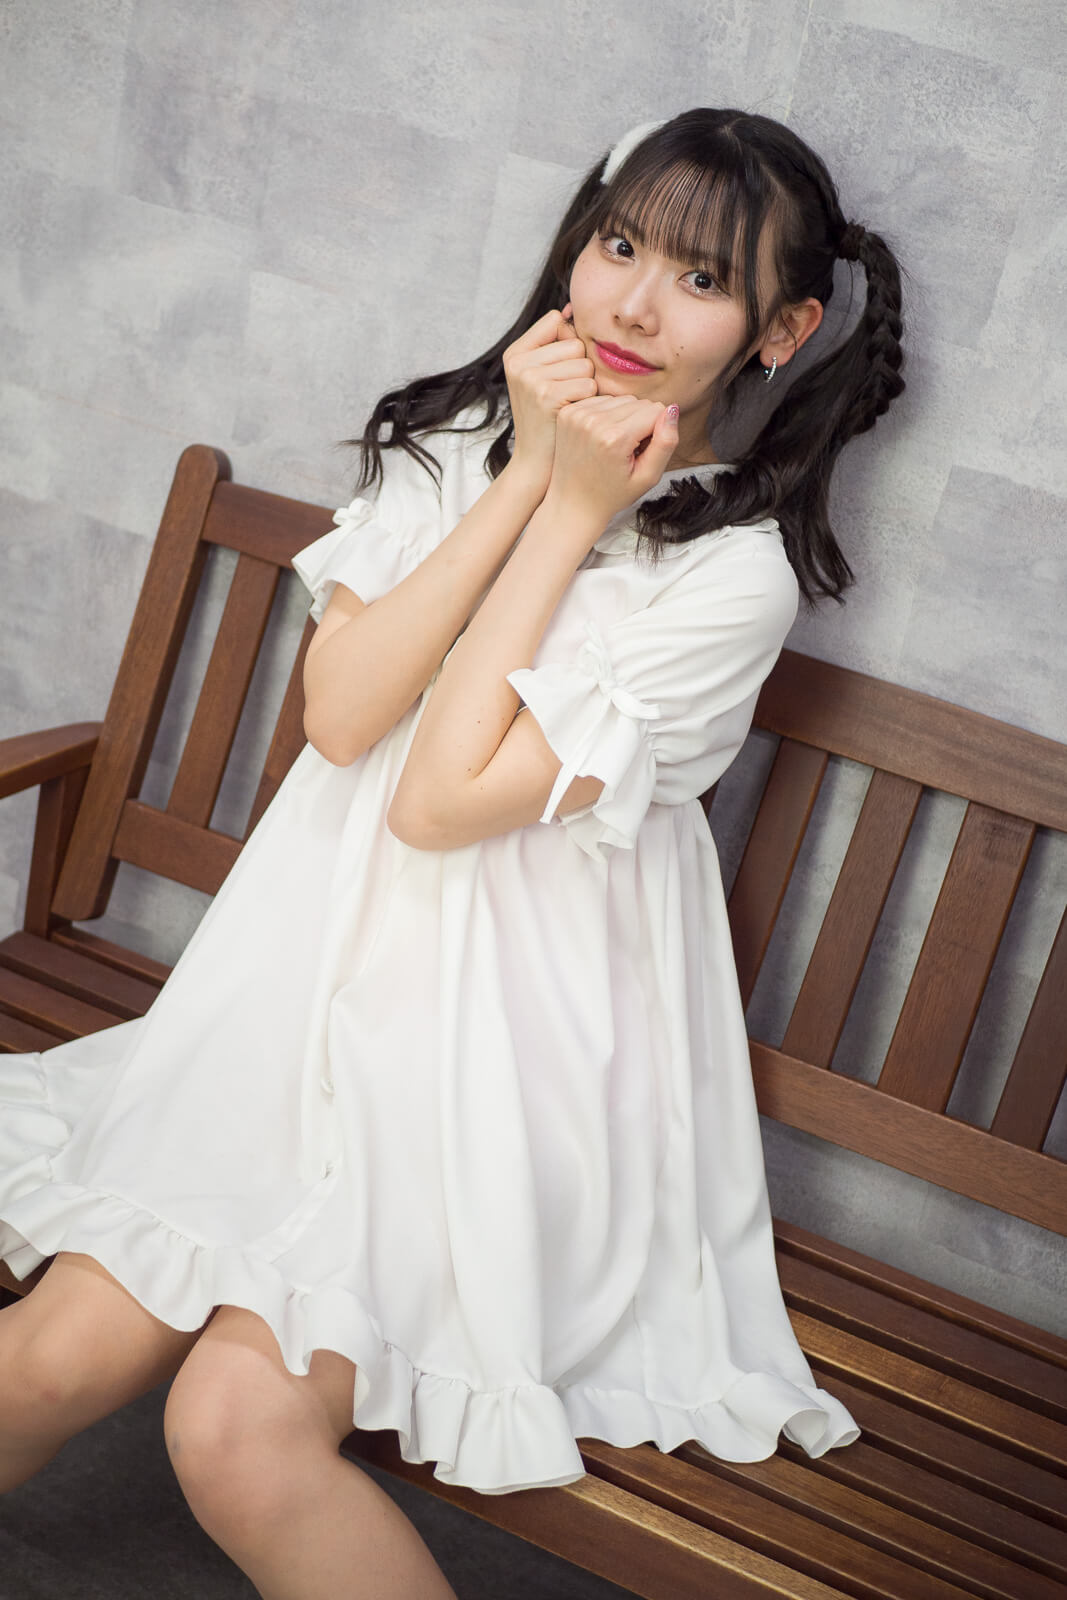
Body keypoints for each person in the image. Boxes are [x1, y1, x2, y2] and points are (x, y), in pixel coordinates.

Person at [0, 108, 904, 1599]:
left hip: (517, 1070)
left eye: (698, 279)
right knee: (46, 1360)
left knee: (234, 1432)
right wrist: (525, 481)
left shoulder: (730, 582)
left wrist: (572, 508)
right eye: (620, 245)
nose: (631, 304)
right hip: (305, 999)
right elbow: (345, 719)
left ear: (781, 331)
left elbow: (438, 800)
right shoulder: (451, 452)